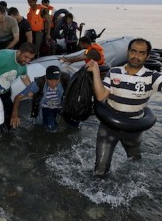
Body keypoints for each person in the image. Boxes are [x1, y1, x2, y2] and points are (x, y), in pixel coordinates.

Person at [86, 38, 162, 178]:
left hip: (133, 128)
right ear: (128, 52)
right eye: (133, 51)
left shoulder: (153, 77)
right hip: (109, 127)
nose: (136, 56)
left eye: (141, 53)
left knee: (135, 162)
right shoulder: (114, 72)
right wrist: (96, 72)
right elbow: (101, 96)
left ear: (147, 56)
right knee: (100, 170)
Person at [11, 66, 77, 131]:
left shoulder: (67, 78)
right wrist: (15, 114)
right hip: (47, 107)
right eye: (50, 80)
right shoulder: (39, 83)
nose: (54, 84)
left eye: (56, 80)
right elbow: (18, 97)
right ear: (46, 78)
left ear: (60, 78)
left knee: (75, 124)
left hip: (62, 105)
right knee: (51, 128)